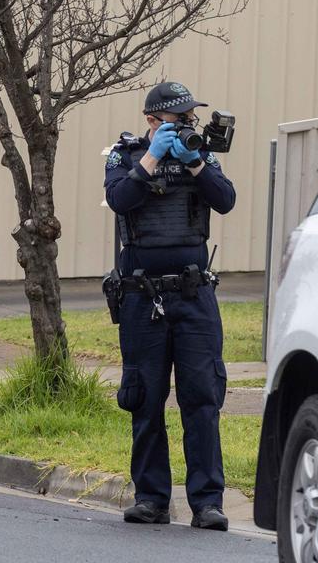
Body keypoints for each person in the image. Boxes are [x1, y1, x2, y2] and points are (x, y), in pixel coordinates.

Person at [103, 81, 236, 531]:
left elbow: (226, 200)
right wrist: (151, 159)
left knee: (202, 398)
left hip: (194, 296)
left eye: (188, 117)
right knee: (145, 398)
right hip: (143, 297)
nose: (185, 124)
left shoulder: (202, 155)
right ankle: (151, 499)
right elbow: (120, 200)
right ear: (152, 120)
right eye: (177, 118)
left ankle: (207, 503)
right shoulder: (125, 156)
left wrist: (195, 161)